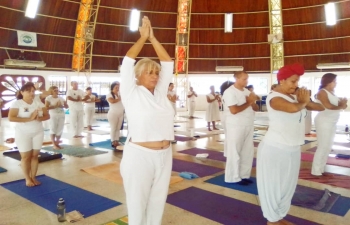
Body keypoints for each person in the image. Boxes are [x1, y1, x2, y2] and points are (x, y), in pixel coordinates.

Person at [119, 16, 174, 225]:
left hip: (164, 154)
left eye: (156, 73)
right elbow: (127, 63)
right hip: (140, 155)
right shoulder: (131, 92)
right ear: (138, 76)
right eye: (149, 73)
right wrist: (143, 39)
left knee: (158, 202)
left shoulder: (160, 93)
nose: (155, 76)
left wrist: (153, 38)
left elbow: (168, 63)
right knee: (137, 203)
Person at [256, 63, 324, 225]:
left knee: (288, 186)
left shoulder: (295, 96)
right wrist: (303, 102)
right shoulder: (274, 98)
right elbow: (292, 109)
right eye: (293, 81)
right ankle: (271, 220)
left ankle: (279, 216)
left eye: (297, 81)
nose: (296, 85)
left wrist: (309, 100)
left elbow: (318, 107)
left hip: (292, 148)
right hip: (274, 149)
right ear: (282, 80)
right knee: (273, 187)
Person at [8, 82, 50, 187]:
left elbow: (47, 116)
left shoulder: (38, 102)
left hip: (38, 132)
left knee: (35, 156)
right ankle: (27, 178)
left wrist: (40, 118)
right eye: (28, 91)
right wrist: (30, 118)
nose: (31, 93)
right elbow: (11, 117)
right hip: (23, 133)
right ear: (22, 92)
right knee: (26, 157)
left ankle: (33, 177)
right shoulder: (17, 103)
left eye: (33, 91)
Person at [223, 71, 259, 185]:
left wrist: (252, 102)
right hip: (235, 125)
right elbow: (234, 110)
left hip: (248, 124)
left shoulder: (247, 91)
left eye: (247, 79)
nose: (246, 81)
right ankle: (233, 177)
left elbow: (256, 108)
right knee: (235, 152)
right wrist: (249, 103)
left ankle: (243, 175)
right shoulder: (229, 92)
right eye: (244, 79)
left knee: (247, 152)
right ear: (236, 79)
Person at [312, 73, 347, 176]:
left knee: (328, 146)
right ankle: (316, 171)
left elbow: (341, 106)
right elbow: (329, 106)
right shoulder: (322, 92)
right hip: (324, 121)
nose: (335, 83)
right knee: (323, 146)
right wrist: (341, 105)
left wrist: (342, 104)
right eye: (334, 81)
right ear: (329, 82)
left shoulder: (332, 92)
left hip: (332, 122)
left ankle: (321, 168)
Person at [107, 82, 124, 149]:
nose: (118, 89)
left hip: (120, 113)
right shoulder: (109, 94)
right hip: (113, 114)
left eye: (118, 87)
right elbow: (112, 101)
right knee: (113, 128)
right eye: (116, 87)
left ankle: (116, 140)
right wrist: (119, 99)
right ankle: (112, 141)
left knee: (118, 128)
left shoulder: (120, 94)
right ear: (112, 88)